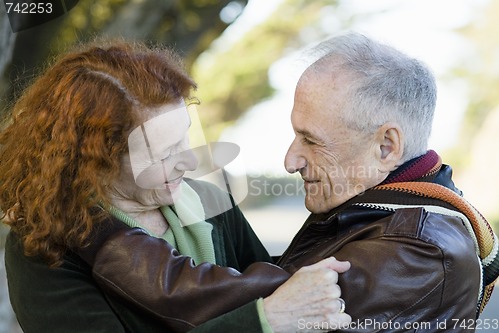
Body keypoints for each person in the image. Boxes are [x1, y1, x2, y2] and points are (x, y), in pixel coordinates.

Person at [73, 32, 499, 332]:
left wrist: (104, 238)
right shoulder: (379, 211)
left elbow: (259, 301)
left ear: (387, 146)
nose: (290, 160)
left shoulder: (419, 250)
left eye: (312, 141)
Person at [0, 40, 352, 333]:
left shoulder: (212, 200)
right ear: (99, 162)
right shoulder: (44, 243)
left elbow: (272, 285)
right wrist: (263, 321)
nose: (189, 162)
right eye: (164, 154)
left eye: (185, 138)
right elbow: (272, 309)